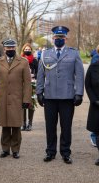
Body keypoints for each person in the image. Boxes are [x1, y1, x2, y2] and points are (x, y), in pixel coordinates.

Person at [36, 26, 84, 164]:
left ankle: (66, 152)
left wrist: (79, 93)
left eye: (61, 37)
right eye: (57, 37)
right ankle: (50, 152)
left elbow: (79, 75)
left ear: (66, 38)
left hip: (67, 96)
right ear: (53, 38)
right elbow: (40, 75)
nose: (59, 39)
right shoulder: (45, 54)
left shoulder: (74, 53)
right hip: (50, 96)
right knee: (50, 126)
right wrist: (39, 92)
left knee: (66, 126)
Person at [0, 38, 32, 159]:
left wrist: (26, 100)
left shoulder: (23, 62)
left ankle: (15, 149)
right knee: (5, 125)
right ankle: (5, 149)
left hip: (17, 98)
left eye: (12, 47)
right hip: (3, 98)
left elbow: (27, 82)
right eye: (8, 48)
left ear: (15, 48)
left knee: (15, 125)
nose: (10, 49)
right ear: (4, 48)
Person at [21, 43, 38, 131]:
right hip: (22, 84)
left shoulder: (34, 61)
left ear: (31, 50)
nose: (27, 51)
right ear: (23, 50)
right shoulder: (20, 60)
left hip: (32, 83)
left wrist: (33, 75)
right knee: (22, 103)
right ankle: (23, 123)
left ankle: (30, 123)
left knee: (31, 104)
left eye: (29, 49)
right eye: (26, 49)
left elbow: (38, 72)